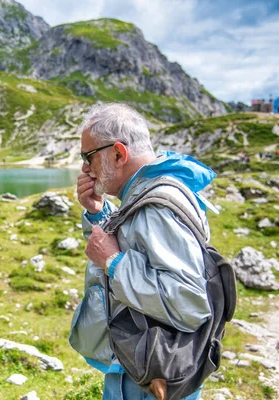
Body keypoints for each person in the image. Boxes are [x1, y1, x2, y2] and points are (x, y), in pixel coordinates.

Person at [70, 103, 218, 400]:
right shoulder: (152, 191)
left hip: (151, 379)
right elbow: (138, 248)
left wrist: (113, 261)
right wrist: (99, 216)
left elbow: (189, 304)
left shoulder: (156, 207)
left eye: (89, 157)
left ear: (119, 154)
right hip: (145, 366)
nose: (86, 168)